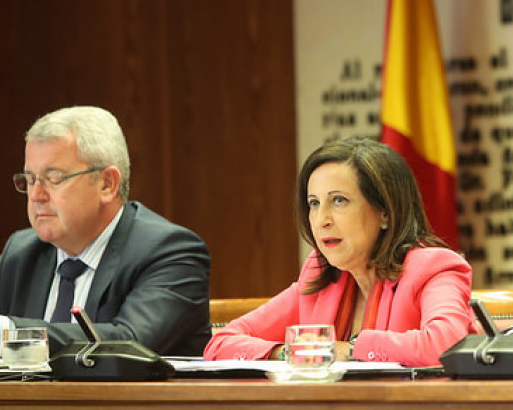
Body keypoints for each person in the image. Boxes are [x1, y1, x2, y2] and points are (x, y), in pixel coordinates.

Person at [0, 106, 212, 357]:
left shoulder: (170, 251)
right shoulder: (21, 253)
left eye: (54, 178)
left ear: (107, 184)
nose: (36, 195)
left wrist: (3, 335)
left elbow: (130, 343)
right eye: (30, 179)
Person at [204, 137, 476, 367]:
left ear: (385, 212)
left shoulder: (435, 268)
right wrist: (287, 353)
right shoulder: (321, 277)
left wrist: (347, 350)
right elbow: (221, 343)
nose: (322, 219)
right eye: (313, 203)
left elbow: (447, 345)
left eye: (339, 201)